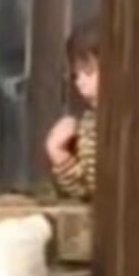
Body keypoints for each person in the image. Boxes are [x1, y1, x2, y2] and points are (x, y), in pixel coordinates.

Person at [45, 17, 99, 201]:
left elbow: (91, 188)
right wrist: (59, 153)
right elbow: (85, 190)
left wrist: (59, 153)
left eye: (89, 72)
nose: (80, 82)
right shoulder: (88, 123)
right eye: (76, 74)